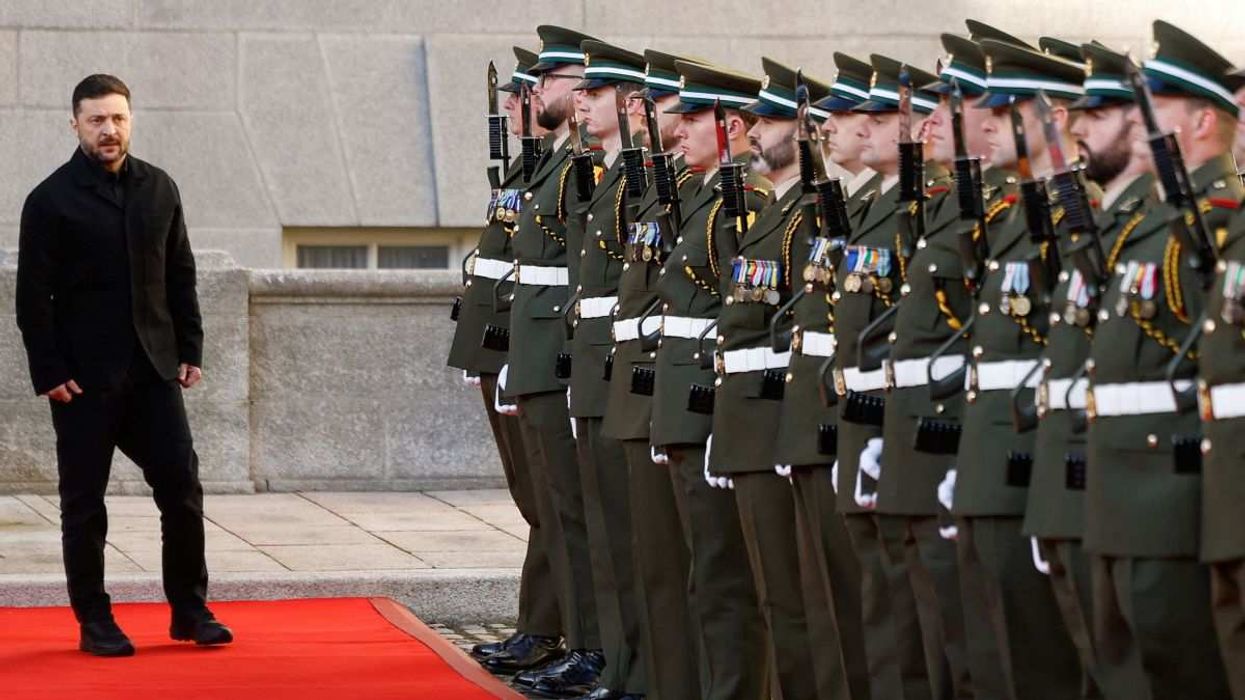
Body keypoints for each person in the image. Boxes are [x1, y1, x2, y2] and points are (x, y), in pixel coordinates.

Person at [16, 73, 231, 657]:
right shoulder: (49, 200)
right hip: (83, 381)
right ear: (75, 125)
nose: (108, 130)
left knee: (182, 490)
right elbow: (33, 300)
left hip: (154, 372)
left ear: (130, 120)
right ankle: (95, 621)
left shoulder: (160, 188)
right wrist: (50, 372)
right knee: (84, 505)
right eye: (96, 120)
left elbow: (179, 273)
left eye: (117, 118)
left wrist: (190, 348)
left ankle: (191, 610)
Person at [1084, 20, 1239, 699]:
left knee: (1185, 667)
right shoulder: (1151, 221)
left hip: (1176, 483)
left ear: (1203, 119)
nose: (1141, 127)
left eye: (1158, 113)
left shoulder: (1217, 216)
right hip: (1130, 481)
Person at [651, 59, 772, 700]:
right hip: (684, 400)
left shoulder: (744, 203)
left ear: (731, 126)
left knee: (725, 575)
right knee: (704, 570)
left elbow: (741, 317)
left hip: (706, 401)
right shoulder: (702, 196)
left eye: (693, 119)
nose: (679, 131)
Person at [449, 46, 566, 671]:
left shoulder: (569, 172)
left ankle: (548, 628)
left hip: (540, 353)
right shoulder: (531, 168)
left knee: (551, 503)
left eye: (529, 91)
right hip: (507, 347)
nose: (517, 104)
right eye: (519, 94)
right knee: (534, 500)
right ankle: (543, 626)